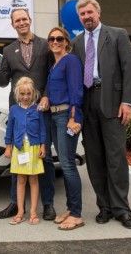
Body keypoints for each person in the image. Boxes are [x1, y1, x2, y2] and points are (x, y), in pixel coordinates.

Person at [71, 0, 131, 229]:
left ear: (98, 12)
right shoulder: (77, 42)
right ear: (79, 18)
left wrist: (127, 102)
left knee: (116, 157)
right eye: (82, 15)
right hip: (87, 102)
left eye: (90, 12)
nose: (87, 17)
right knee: (95, 158)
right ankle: (104, 207)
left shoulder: (118, 34)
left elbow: (129, 69)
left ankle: (122, 209)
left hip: (112, 100)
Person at [0, 8, 56, 221]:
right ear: (13, 25)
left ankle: (48, 204)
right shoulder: (8, 51)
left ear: (30, 20)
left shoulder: (46, 45)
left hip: (41, 109)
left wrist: (46, 96)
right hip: (18, 112)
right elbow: (2, 81)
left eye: (24, 19)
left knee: (43, 158)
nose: (21, 23)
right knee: (18, 157)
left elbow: (52, 75)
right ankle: (16, 204)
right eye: (17, 20)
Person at [46, 26, 85, 231]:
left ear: (66, 41)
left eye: (59, 38)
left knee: (68, 164)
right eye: (51, 39)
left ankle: (77, 214)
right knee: (65, 161)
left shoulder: (70, 60)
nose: (55, 41)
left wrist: (73, 117)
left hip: (65, 117)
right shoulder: (54, 65)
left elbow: (76, 91)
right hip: (53, 116)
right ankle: (70, 209)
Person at [3, 77, 47, 225]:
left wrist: (43, 145)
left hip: (34, 148)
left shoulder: (37, 109)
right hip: (19, 149)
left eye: (28, 93)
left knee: (33, 179)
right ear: (17, 94)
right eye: (22, 94)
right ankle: (20, 211)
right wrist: (8, 146)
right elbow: (9, 129)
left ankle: (33, 211)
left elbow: (42, 129)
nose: (26, 97)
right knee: (20, 180)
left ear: (33, 93)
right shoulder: (14, 110)